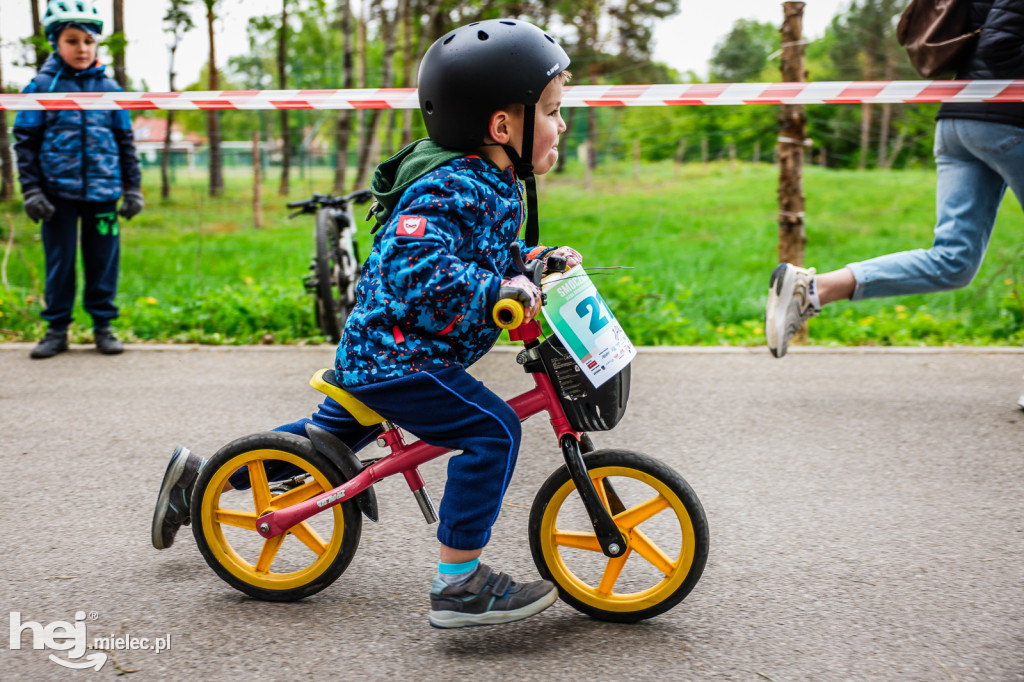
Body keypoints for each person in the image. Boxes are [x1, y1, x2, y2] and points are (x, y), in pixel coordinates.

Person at [151, 19, 582, 629]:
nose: (562, 124)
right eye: (553, 111)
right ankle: (459, 584)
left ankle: (199, 484)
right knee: (494, 431)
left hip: (387, 352)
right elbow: (419, 268)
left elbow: (485, 255)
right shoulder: (455, 184)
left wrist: (534, 266)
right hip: (401, 360)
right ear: (503, 126)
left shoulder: (495, 179)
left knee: (321, 450)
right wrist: (495, 293)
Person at [765, 0, 1024, 383]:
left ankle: (813, 289)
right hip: (1006, 121)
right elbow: (1001, 44)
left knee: (954, 261)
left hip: (960, 123)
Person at [13, 0, 144, 360]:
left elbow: (125, 142)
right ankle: (56, 329)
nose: (82, 48)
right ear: (56, 42)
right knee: (61, 262)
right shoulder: (41, 86)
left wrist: (133, 188)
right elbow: (25, 143)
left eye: (88, 40)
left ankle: (103, 326)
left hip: (103, 194)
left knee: (103, 261)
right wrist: (32, 190)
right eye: (72, 40)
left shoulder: (111, 89)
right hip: (57, 196)